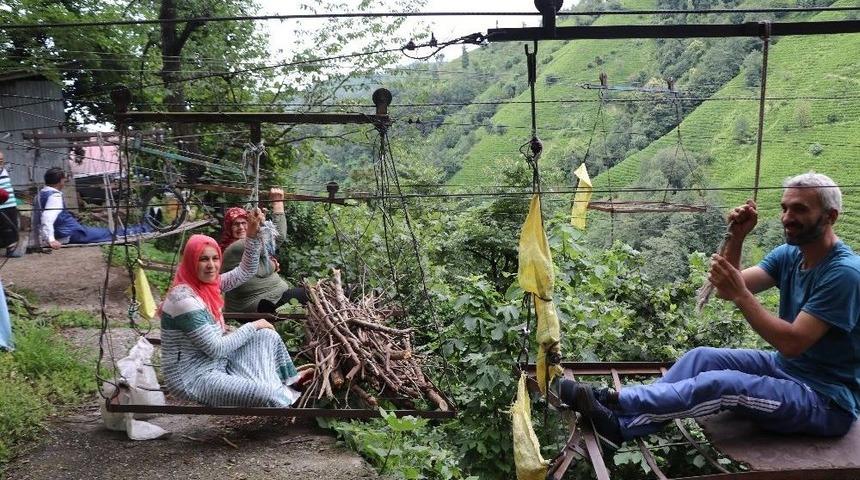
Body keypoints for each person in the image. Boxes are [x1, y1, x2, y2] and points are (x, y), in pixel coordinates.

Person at [560, 171, 859, 450]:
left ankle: (613, 399)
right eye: (785, 208)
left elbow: (792, 342)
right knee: (702, 358)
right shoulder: (790, 255)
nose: (787, 217)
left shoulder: (843, 274)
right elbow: (726, 288)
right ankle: (622, 427)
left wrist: (741, 294)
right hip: (787, 370)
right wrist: (738, 237)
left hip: (824, 400)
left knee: (722, 385)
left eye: (800, 210)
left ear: (830, 216)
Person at [159, 208, 309, 407]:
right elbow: (216, 348)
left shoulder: (208, 286)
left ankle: (288, 383)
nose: (211, 265)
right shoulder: (184, 300)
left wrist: (253, 235)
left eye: (215, 258)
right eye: (203, 259)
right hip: (195, 378)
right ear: (190, 262)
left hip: (218, 363)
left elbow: (245, 271)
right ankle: (280, 392)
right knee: (265, 392)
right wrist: (254, 325)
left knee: (268, 336)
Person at [220, 187, 308, 313]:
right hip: (256, 304)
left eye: (244, 223)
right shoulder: (234, 248)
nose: (241, 227)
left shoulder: (249, 245)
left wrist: (270, 264)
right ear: (229, 228)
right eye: (235, 224)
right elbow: (278, 238)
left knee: (309, 296)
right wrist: (277, 203)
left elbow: (260, 267)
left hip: (270, 297)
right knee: (309, 294)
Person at [35, 167, 151, 248]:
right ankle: (146, 229)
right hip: (71, 233)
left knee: (107, 232)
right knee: (110, 233)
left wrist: (41, 236)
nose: (64, 183)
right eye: (64, 180)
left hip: (68, 230)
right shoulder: (54, 196)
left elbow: (38, 218)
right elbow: (47, 217)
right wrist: (50, 240)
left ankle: (144, 227)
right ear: (60, 181)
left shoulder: (41, 194)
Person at [0, 152, 22, 257]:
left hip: (10, 204)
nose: (1, 160)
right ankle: (10, 249)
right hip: (2, 205)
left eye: (2, 158)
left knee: (13, 227)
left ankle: (12, 249)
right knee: (6, 228)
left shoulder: (4, 170)